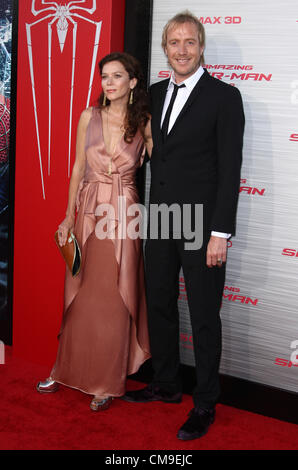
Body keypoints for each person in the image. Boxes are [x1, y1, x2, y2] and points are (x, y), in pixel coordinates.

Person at [122, 11, 245, 440]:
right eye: (174, 43)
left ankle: (206, 403)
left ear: (201, 45)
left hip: (202, 226)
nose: (181, 50)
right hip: (160, 220)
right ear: (165, 49)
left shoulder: (224, 97)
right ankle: (167, 384)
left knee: (205, 315)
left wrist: (220, 233)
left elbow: (231, 171)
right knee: (159, 303)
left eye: (189, 42)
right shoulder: (152, 94)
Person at [37, 52, 152, 411]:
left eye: (117, 76)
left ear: (132, 82)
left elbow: (167, 165)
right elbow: (77, 168)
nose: (109, 82)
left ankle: (107, 380)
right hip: (88, 211)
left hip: (124, 213)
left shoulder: (145, 123)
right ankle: (64, 368)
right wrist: (68, 217)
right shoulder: (90, 116)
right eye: (105, 76)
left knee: (117, 296)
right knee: (81, 293)